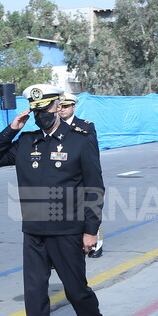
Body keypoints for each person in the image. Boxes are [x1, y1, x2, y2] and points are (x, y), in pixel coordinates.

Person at [0, 83, 111, 316]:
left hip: (67, 232)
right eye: (36, 110)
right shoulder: (26, 142)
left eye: (46, 109)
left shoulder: (80, 141)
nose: (41, 115)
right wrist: (12, 128)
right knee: (35, 299)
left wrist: (90, 231)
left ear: (58, 107)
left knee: (76, 291)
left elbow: (94, 188)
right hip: (34, 232)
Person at [59, 92, 103, 258]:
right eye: (60, 106)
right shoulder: (53, 126)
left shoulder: (85, 126)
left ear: (73, 107)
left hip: (84, 172)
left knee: (91, 207)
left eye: (66, 106)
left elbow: (92, 155)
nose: (62, 109)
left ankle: (96, 242)